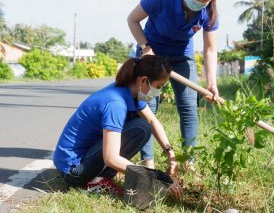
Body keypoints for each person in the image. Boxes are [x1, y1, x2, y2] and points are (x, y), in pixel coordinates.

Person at [53, 55, 183, 200]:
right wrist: (157, 177)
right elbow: (111, 158)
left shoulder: (129, 92)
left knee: (143, 126)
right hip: (73, 170)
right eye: (158, 87)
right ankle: (95, 181)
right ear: (144, 80)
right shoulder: (115, 103)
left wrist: (169, 152)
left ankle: (101, 175)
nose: (158, 92)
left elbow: (152, 121)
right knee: (140, 127)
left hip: (82, 158)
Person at [127, 0, 219, 171]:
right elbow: (132, 20)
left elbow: (210, 49)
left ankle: (189, 163)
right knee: (148, 107)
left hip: (181, 57)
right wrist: (146, 48)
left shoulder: (208, 12)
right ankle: (148, 162)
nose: (201, 2)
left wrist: (211, 82)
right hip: (152, 53)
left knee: (188, 108)